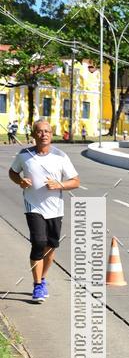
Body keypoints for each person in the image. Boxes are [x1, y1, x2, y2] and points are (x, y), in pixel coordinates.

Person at [8, 119, 80, 303]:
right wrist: (20, 181)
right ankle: (37, 285)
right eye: (39, 131)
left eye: (47, 131)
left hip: (55, 210)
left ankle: (43, 278)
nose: (44, 134)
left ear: (51, 134)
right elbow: (12, 172)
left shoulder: (60, 156)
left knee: (50, 249)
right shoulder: (24, 155)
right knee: (39, 242)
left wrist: (60, 185)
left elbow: (76, 181)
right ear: (33, 135)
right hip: (34, 207)